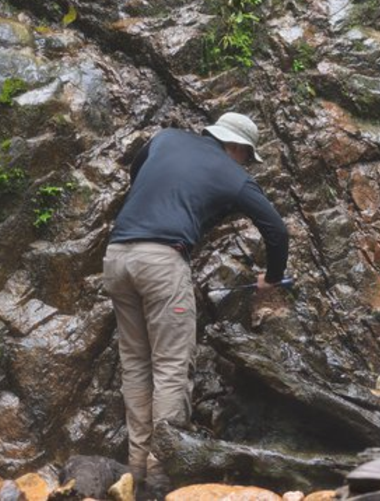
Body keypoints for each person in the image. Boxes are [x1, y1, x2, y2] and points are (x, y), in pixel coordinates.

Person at [102, 112, 289, 498]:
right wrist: (270, 279)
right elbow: (276, 229)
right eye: (246, 156)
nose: (244, 164)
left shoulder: (166, 138)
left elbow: (138, 175)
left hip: (117, 255)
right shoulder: (233, 174)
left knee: (135, 364)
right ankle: (160, 477)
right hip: (162, 262)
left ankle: (135, 474)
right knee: (171, 365)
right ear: (237, 147)